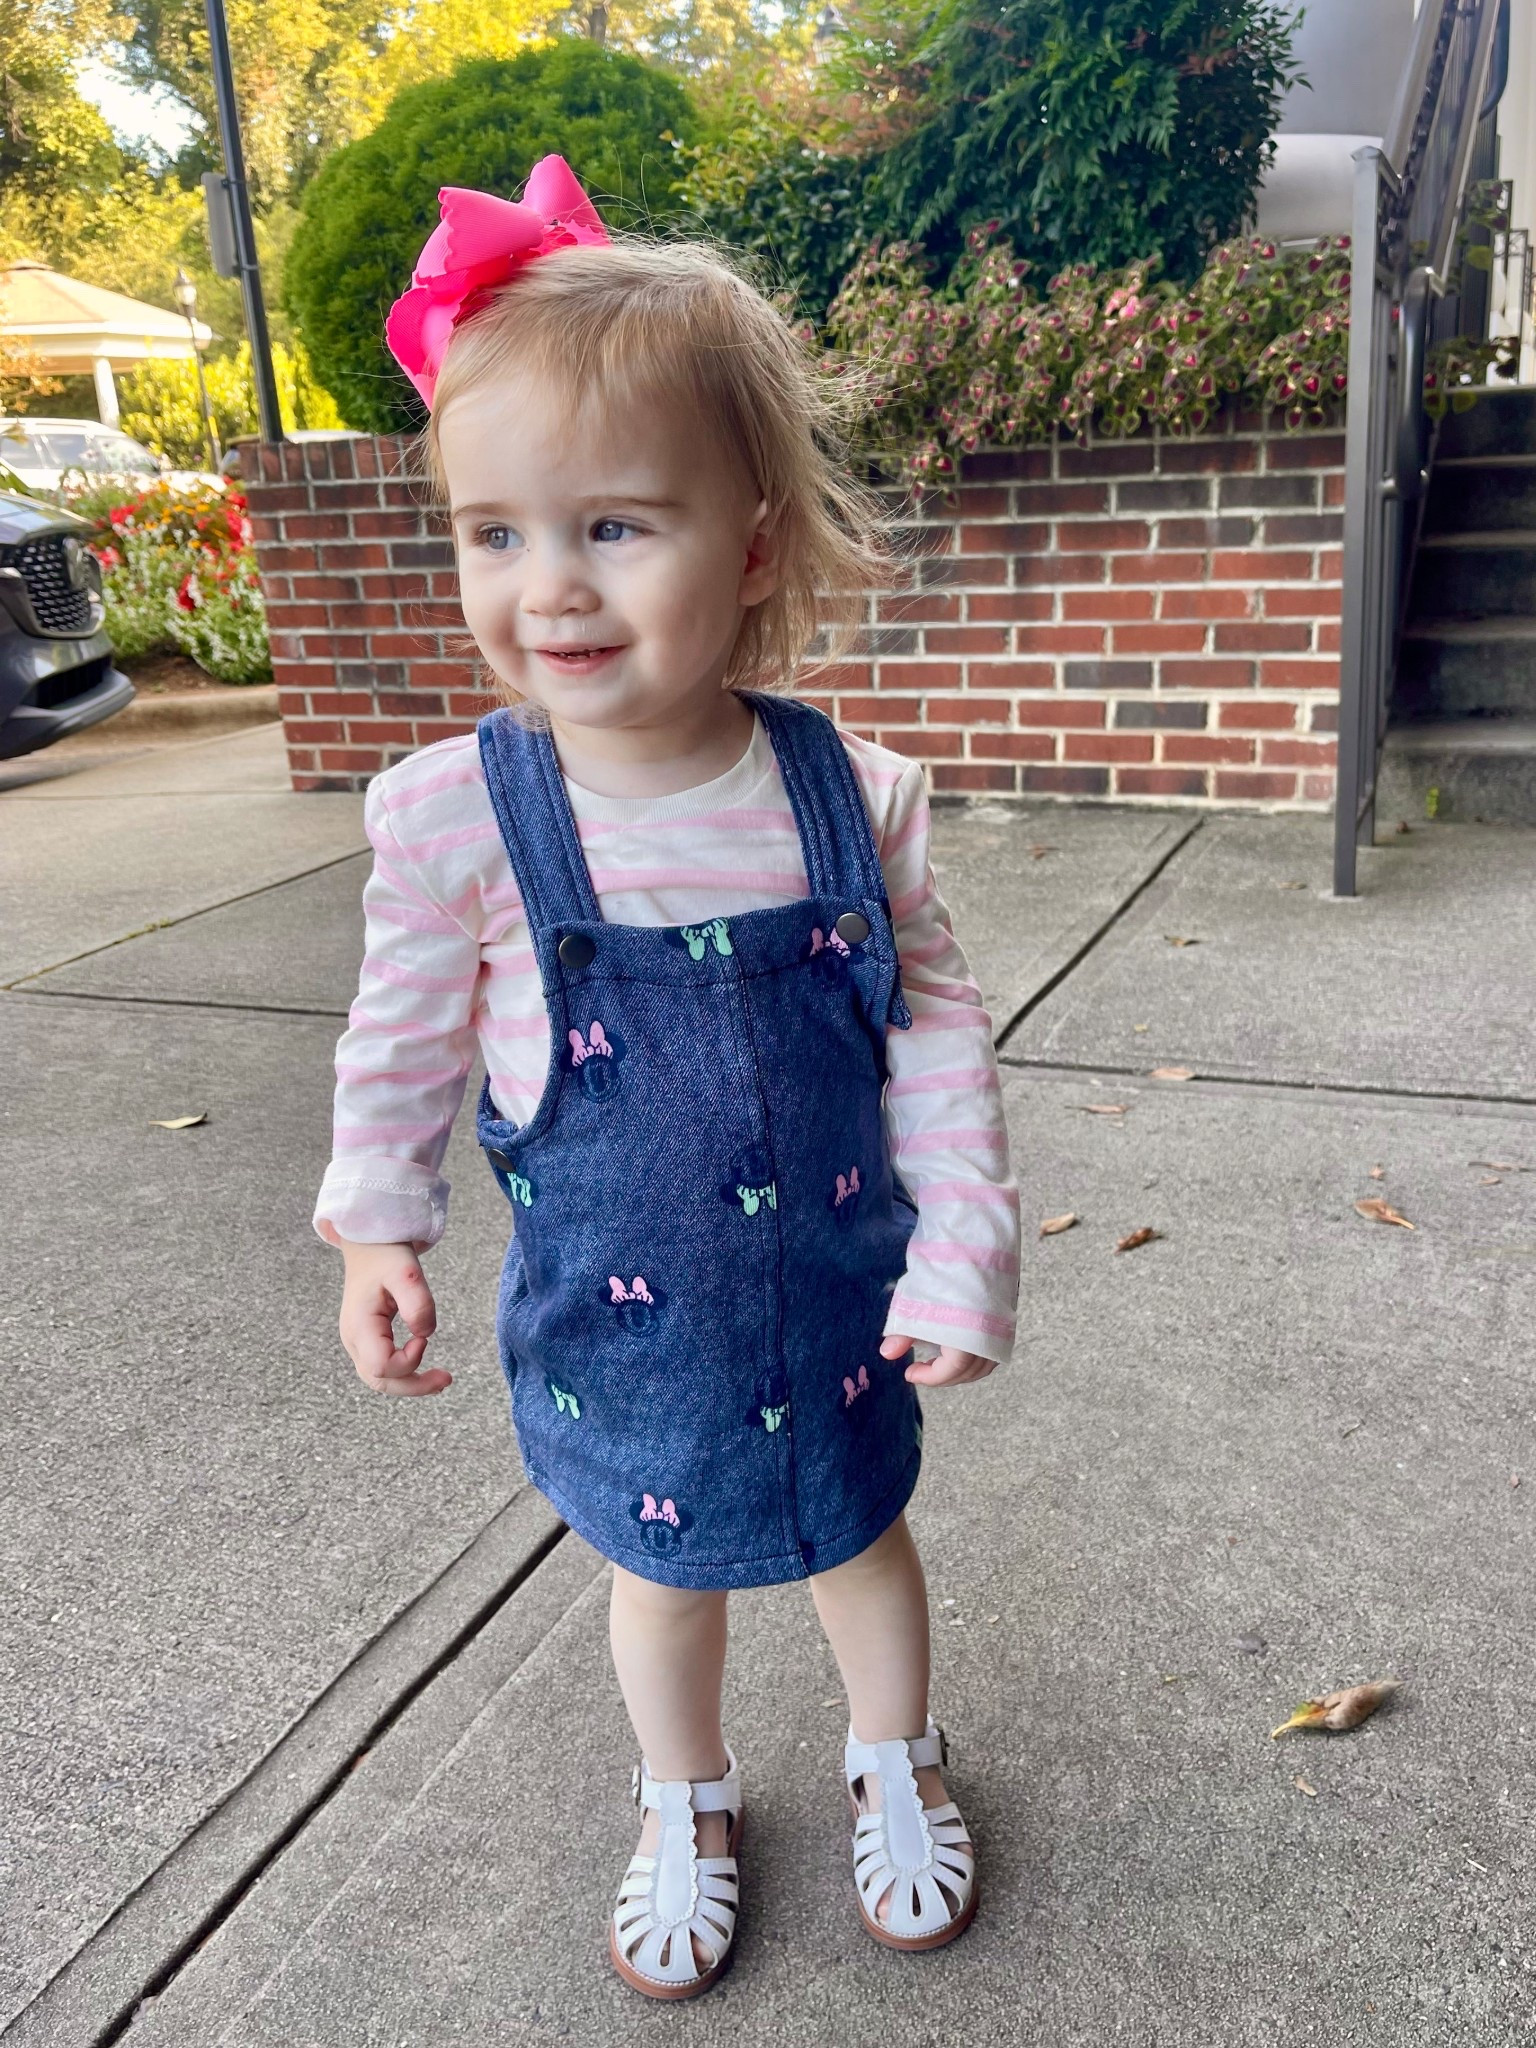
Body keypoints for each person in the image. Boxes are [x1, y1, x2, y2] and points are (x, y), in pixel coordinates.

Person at [314, 157, 1020, 1999]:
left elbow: (930, 1024)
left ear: (758, 542)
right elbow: (399, 1040)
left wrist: (964, 1241)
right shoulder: (457, 818)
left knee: (863, 1541)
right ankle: (684, 1794)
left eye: (616, 527)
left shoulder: (846, 798)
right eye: (494, 533)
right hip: (624, 1322)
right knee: (663, 1574)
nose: (547, 589)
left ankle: (895, 1757)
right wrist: (375, 1230)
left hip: (836, 1297)